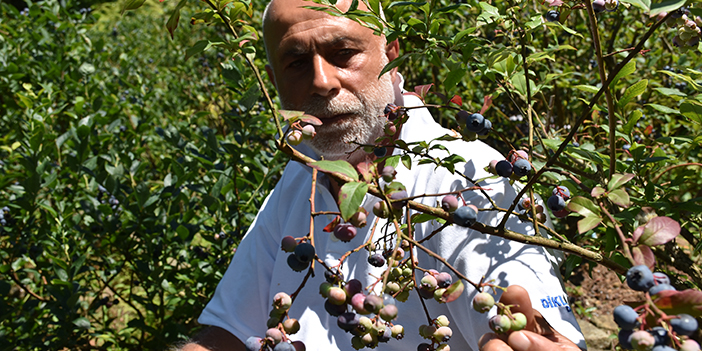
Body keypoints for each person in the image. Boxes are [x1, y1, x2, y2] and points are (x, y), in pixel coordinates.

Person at [180, 0, 586, 350]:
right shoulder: (304, 172)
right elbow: (229, 334)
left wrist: (535, 335)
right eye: (297, 63)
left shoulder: (472, 180)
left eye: (343, 53)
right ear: (274, 82)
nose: (322, 82)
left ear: (391, 54)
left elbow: (530, 324)